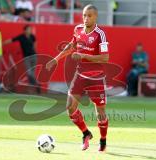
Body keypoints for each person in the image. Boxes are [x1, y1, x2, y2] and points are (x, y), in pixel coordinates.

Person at [46, 4, 109, 152]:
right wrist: (56, 59)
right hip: (80, 75)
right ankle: (86, 133)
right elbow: (71, 45)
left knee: (100, 112)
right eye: (84, 15)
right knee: (70, 107)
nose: (86, 18)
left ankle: (103, 141)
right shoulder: (78, 29)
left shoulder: (100, 34)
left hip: (96, 78)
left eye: (89, 16)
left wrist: (83, 55)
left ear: (96, 17)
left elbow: (105, 58)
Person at [3, 25, 40, 93]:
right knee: (29, 73)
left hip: (33, 56)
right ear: (25, 30)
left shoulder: (32, 36)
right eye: (28, 29)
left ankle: (32, 88)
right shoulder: (21, 37)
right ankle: (37, 85)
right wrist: (2, 43)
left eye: (30, 29)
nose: (30, 31)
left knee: (32, 73)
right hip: (26, 57)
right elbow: (12, 40)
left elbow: (35, 45)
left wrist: (35, 53)